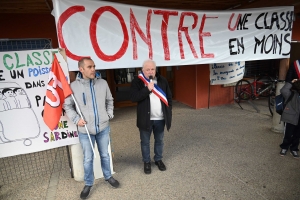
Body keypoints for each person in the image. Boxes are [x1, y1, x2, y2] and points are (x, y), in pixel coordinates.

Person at [63, 57, 119, 199]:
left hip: (103, 127)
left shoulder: (103, 83)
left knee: (105, 155)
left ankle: (108, 176)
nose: (93, 69)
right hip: (85, 131)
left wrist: (109, 114)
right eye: (89, 67)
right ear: (81, 69)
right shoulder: (73, 86)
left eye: (94, 66)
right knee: (88, 159)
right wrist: (76, 119)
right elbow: (67, 105)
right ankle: (88, 183)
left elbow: (109, 100)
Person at [130, 59, 172, 174]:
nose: (150, 71)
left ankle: (158, 159)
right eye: (147, 69)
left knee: (159, 140)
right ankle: (147, 162)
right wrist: (147, 89)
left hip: (160, 118)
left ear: (155, 70)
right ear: (143, 70)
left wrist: (168, 111)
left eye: (152, 69)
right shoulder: (137, 81)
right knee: (145, 142)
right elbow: (133, 97)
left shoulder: (162, 80)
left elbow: (169, 97)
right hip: (145, 119)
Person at [279, 78, 300, 158]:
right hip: (291, 117)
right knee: (288, 134)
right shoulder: (291, 94)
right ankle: (284, 147)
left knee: (297, 135)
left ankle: (294, 148)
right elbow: (283, 90)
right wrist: (291, 82)